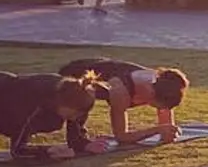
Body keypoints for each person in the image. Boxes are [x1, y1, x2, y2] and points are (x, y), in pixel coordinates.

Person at [57, 57, 189, 145]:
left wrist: (168, 132)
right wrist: (157, 130)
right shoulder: (120, 90)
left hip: (104, 66)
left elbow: (167, 132)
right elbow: (122, 137)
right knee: (78, 104)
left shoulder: (163, 84)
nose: (162, 110)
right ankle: (78, 140)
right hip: (72, 75)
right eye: (156, 105)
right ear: (150, 92)